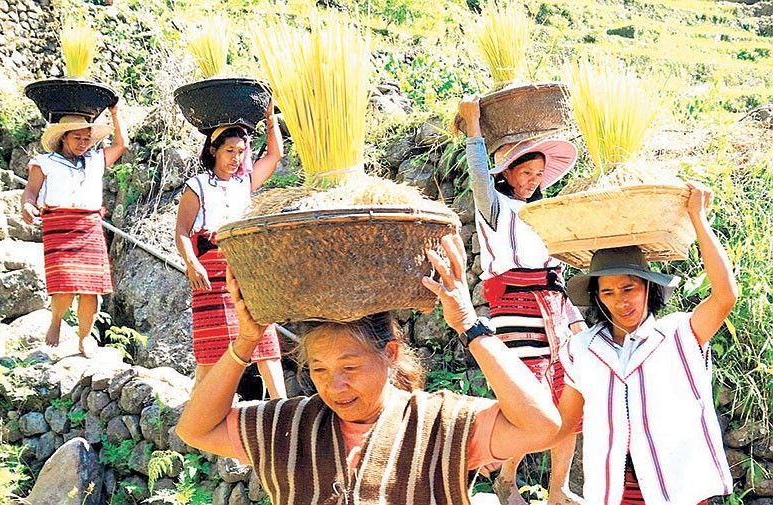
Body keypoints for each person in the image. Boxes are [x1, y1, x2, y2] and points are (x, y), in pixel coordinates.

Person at [176, 234, 563, 504]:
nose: (335, 385)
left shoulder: (440, 422)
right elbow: (195, 428)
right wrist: (245, 344)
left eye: (350, 366)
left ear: (391, 353)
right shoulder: (289, 424)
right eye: (319, 370)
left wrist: (468, 324)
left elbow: (542, 425)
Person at [555, 182, 737, 504]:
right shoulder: (581, 350)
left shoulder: (680, 335)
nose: (620, 302)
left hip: (677, 491)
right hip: (613, 493)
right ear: (596, 297)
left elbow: (725, 296)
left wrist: (698, 218)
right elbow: (565, 423)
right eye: (607, 292)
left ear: (648, 289)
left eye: (629, 289)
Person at [457, 96, 586, 504]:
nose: (532, 180)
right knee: (526, 394)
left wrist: (575, 316)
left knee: (571, 393)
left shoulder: (541, 213)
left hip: (555, 305)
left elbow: (557, 274)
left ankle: (559, 488)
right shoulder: (495, 208)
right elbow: (479, 174)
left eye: (538, 174)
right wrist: (474, 127)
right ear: (507, 172)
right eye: (525, 172)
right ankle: (507, 478)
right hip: (515, 306)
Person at [174, 101, 287, 396]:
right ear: (214, 150)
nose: (236, 158)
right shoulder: (196, 186)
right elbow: (183, 231)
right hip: (209, 273)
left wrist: (269, 116)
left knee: (266, 343)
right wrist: (191, 263)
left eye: (240, 152)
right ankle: (197, 408)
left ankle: (282, 404)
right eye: (229, 151)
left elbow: (275, 155)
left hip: (245, 270)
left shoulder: (243, 184)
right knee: (211, 349)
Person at [21, 103, 127, 357]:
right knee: (66, 283)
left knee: (91, 287)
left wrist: (115, 113)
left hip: (89, 224)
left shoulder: (94, 160)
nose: (82, 143)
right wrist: (27, 206)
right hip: (59, 224)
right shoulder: (44, 162)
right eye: (77, 137)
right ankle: (56, 320)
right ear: (63, 137)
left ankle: (84, 338)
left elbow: (122, 144)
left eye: (86, 138)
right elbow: (30, 192)